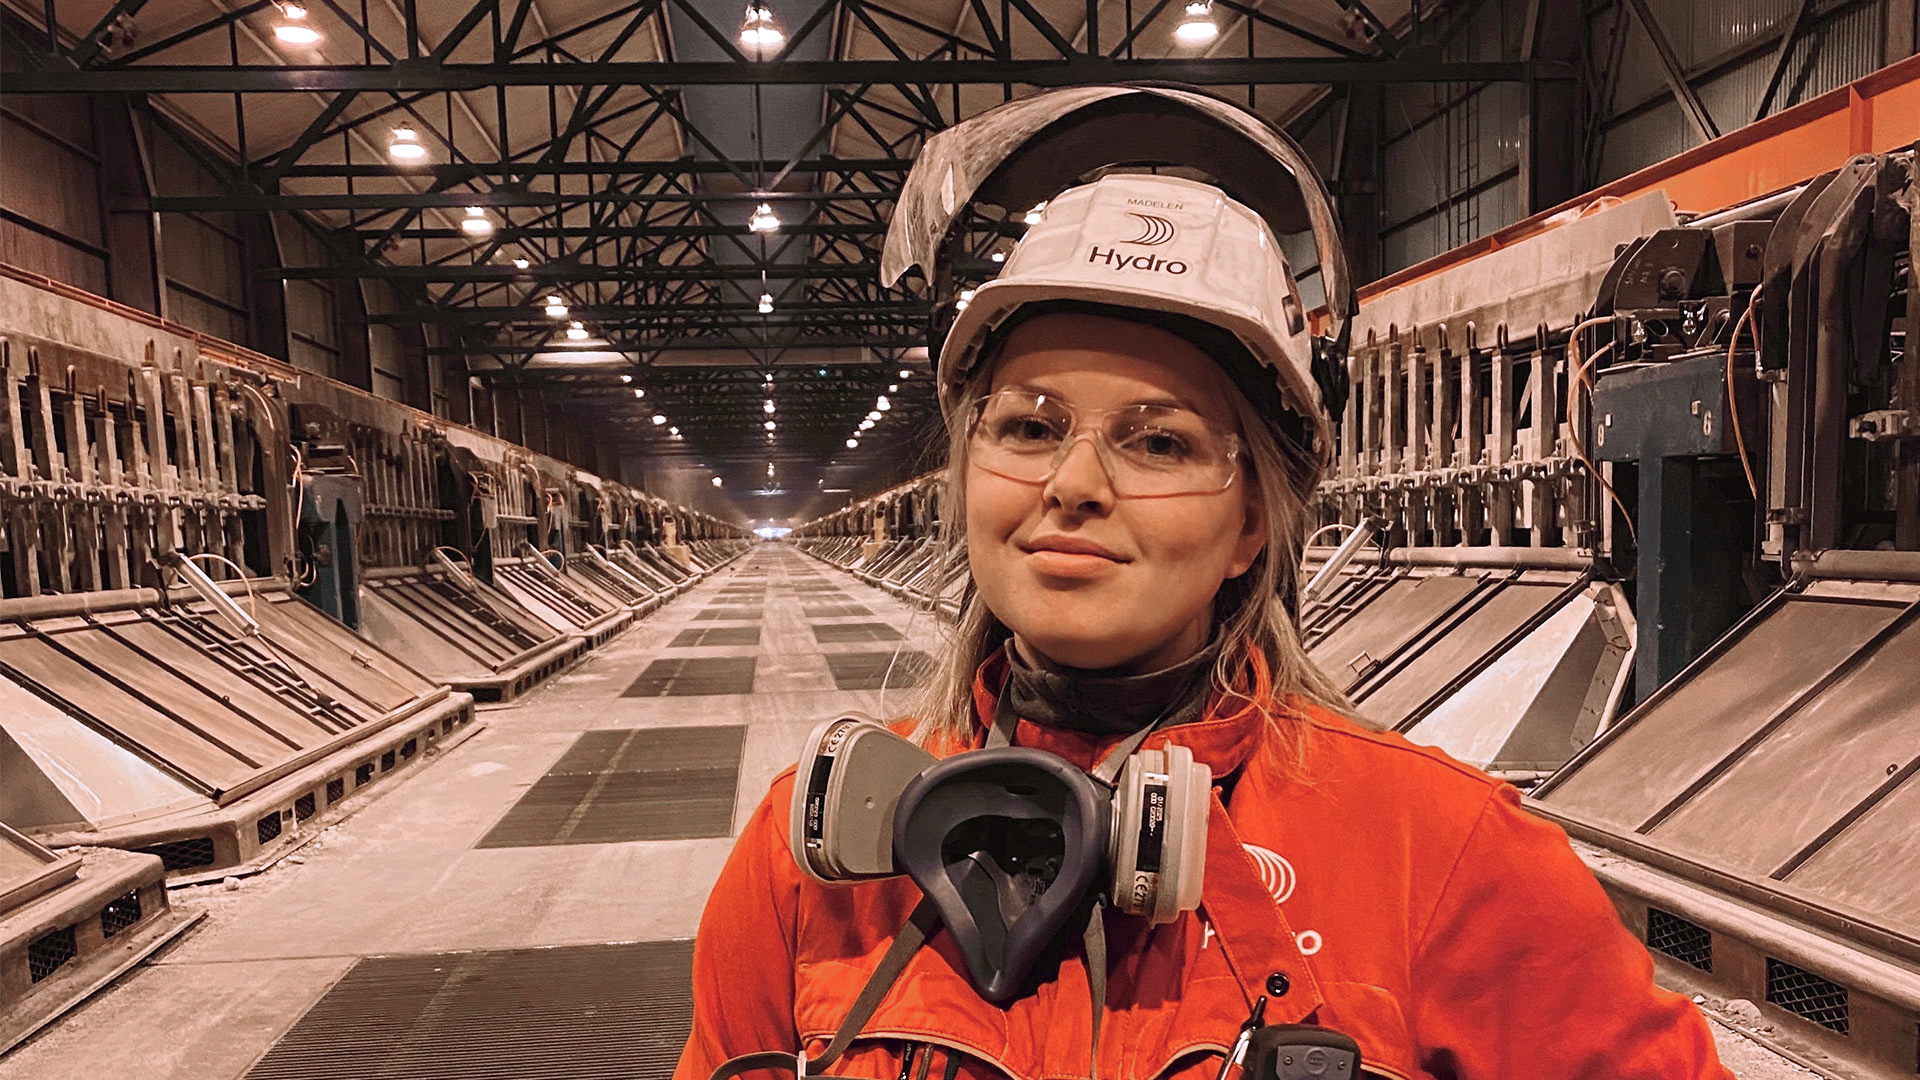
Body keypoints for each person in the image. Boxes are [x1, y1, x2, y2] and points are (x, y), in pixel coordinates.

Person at [675, 92, 1734, 1080]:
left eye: (1160, 443)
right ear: (966, 471)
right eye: (1029, 426)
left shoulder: (1444, 858)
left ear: (1253, 523)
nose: (1073, 485)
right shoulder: (806, 858)